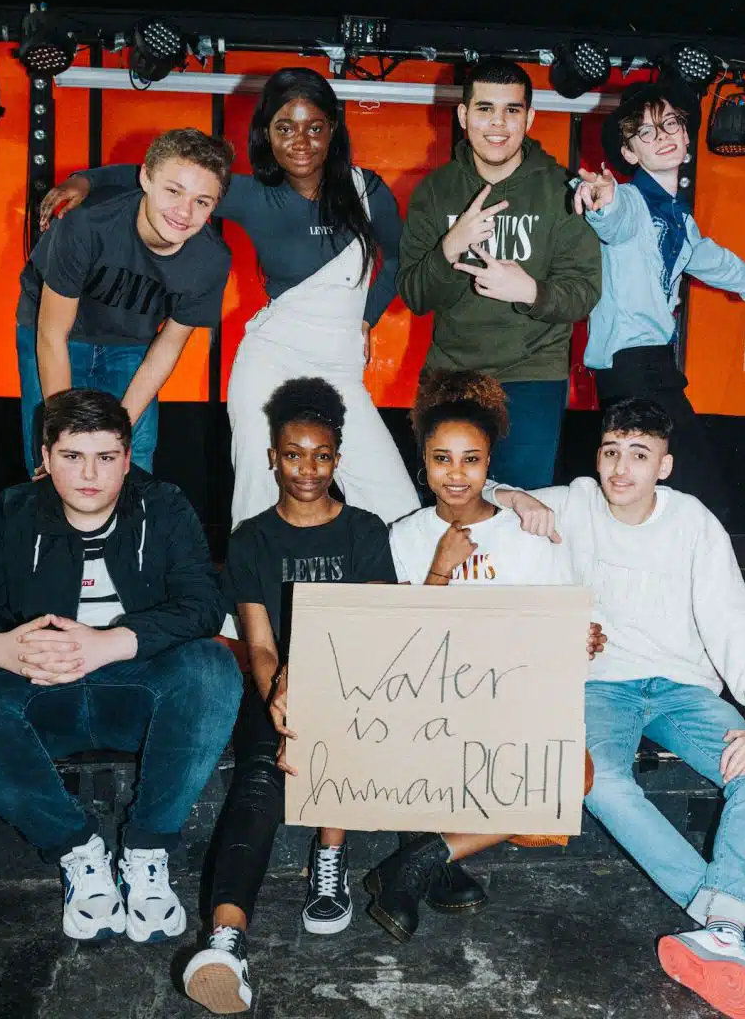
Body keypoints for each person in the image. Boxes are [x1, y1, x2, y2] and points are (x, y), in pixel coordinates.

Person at [485, 397, 745, 1019]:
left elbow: (732, 624)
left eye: (639, 455)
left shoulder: (692, 524)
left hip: (683, 688)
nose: (621, 469)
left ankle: (725, 923)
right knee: (599, 782)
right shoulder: (577, 501)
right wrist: (515, 496)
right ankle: (739, 918)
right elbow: (484, 490)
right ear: (597, 457)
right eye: (611, 452)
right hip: (600, 685)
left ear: (664, 466)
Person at [181, 377, 483, 1015]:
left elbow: (375, 632)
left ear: (337, 459)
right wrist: (280, 696)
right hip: (277, 687)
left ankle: (331, 859)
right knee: (258, 780)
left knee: (352, 738)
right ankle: (226, 942)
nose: (307, 469)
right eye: (293, 455)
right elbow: (260, 645)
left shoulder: (364, 532)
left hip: (357, 685)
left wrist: (319, 688)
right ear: (273, 457)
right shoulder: (252, 538)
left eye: (321, 456)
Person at [0, 389, 242, 944]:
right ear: (46, 458)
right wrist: (5, 650)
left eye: (106, 457)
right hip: (43, 693)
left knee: (211, 668)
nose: (90, 474)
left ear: (127, 458)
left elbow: (203, 606)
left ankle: (146, 853)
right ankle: (80, 852)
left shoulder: (163, 505)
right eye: (73, 456)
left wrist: (110, 643)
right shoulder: (13, 511)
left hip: (136, 695)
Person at [39, 67, 419, 529]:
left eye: (314, 127)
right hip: (271, 362)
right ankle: (252, 580)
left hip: (341, 371)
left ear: (333, 130)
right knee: (258, 502)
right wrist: (85, 181)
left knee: (397, 505)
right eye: (285, 128)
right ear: (266, 133)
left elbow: (398, 260)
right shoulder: (253, 195)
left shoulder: (367, 191)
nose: (300, 141)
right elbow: (160, 178)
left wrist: (367, 316)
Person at [369, 370, 605, 946]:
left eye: (470, 460)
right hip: (430, 702)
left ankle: (420, 858)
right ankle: (432, 859)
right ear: (423, 462)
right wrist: (439, 569)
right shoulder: (403, 536)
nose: (456, 475)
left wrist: (581, 638)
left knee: (574, 775)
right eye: (442, 459)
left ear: (489, 464)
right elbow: (398, 649)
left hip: (509, 700)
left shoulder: (528, 534)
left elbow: (560, 627)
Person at [573, 79, 745, 520]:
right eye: (646, 132)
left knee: (669, 491)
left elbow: (710, 258)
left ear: (687, 136)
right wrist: (603, 201)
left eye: (670, 124)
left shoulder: (678, 219)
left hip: (654, 364)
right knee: (693, 492)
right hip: (630, 365)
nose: (663, 136)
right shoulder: (630, 201)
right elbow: (614, 220)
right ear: (630, 153)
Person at [397, 57, 602, 489]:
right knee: (449, 506)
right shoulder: (435, 191)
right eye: (485, 108)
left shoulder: (561, 191)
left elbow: (584, 292)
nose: (498, 123)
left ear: (529, 118)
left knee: (521, 507)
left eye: (511, 110)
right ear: (463, 115)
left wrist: (530, 292)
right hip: (450, 373)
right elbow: (416, 296)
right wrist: (450, 247)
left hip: (533, 373)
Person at [17, 128, 233, 476]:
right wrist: (65, 434)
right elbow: (51, 335)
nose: (184, 211)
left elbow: (168, 345)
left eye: (202, 202)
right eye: (173, 191)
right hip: (58, 332)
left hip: (132, 342)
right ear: (145, 177)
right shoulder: (85, 223)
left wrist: (119, 431)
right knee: (55, 457)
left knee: (132, 458)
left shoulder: (210, 260)